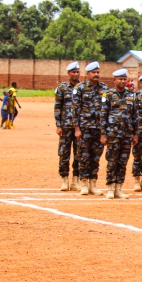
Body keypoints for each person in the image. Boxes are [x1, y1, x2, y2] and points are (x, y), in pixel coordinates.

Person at [100, 69, 138, 199]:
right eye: (120, 79)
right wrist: (103, 134)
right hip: (113, 134)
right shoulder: (108, 94)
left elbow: (135, 116)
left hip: (127, 134)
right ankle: (110, 188)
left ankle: (119, 188)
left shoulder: (131, 95)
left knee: (123, 161)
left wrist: (135, 134)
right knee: (112, 160)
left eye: (124, 79)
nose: (122, 81)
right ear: (114, 80)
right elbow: (103, 115)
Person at [72, 62, 108, 196]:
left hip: (99, 129)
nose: (96, 74)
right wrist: (77, 129)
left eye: (98, 72)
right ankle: (84, 184)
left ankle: (93, 184)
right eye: (94, 72)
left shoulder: (104, 88)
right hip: (85, 128)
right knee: (84, 156)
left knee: (96, 157)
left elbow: (107, 110)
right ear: (88, 74)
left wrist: (105, 131)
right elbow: (75, 109)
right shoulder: (80, 88)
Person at [54, 61, 81, 191]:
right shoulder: (62, 88)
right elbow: (58, 107)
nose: (76, 74)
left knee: (79, 153)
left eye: (77, 72)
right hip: (65, 126)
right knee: (64, 153)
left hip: (79, 127)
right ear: (68, 73)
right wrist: (58, 125)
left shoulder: (82, 88)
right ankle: (64, 180)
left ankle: (76, 180)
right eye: (73, 72)